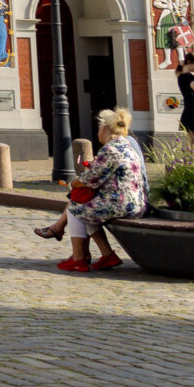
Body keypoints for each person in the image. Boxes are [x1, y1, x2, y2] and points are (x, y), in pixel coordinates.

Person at [32, 108, 145, 270]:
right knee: (87, 208)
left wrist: (72, 184)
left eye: (98, 128)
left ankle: (78, 259)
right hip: (136, 202)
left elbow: (90, 180)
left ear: (105, 129)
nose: (97, 132)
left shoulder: (110, 149)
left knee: (75, 209)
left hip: (120, 204)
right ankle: (107, 255)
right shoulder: (127, 146)